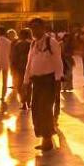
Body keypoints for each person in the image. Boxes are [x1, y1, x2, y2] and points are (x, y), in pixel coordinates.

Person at [24, 18, 63, 152]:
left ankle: (47, 140)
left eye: (36, 27)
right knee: (36, 110)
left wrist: (58, 80)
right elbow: (29, 63)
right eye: (32, 28)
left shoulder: (51, 43)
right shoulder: (33, 44)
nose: (34, 31)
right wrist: (26, 81)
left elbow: (58, 63)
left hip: (49, 81)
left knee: (45, 109)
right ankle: (44, 137)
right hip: (37, 81)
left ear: (43, 28)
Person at [11, 28, 32, 110]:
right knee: (28, 85)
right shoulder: (31, 44)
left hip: (20, 68)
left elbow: (14, 57)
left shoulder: (18, 44)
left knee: (20, 85)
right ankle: (28, 102)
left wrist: (13, 67)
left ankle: (24, 102)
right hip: (28, 68)